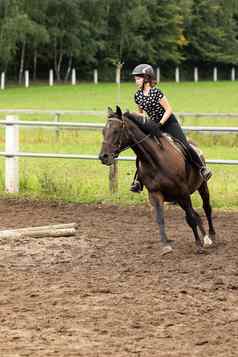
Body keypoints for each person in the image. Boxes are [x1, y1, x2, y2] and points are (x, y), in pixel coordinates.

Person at [130, 63, 212, 193]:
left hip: (169, 123)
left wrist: (161, 123)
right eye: (135, 79)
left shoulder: (156, 92)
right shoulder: (137, 96)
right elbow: (141, 113)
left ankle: (202, 169)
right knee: (143, 149)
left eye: (138, 78)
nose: (136, 81)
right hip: (153, 125)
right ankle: (138, 181)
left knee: (184, 144)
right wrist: (142, 122)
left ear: (147, 78)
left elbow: (168, 109)